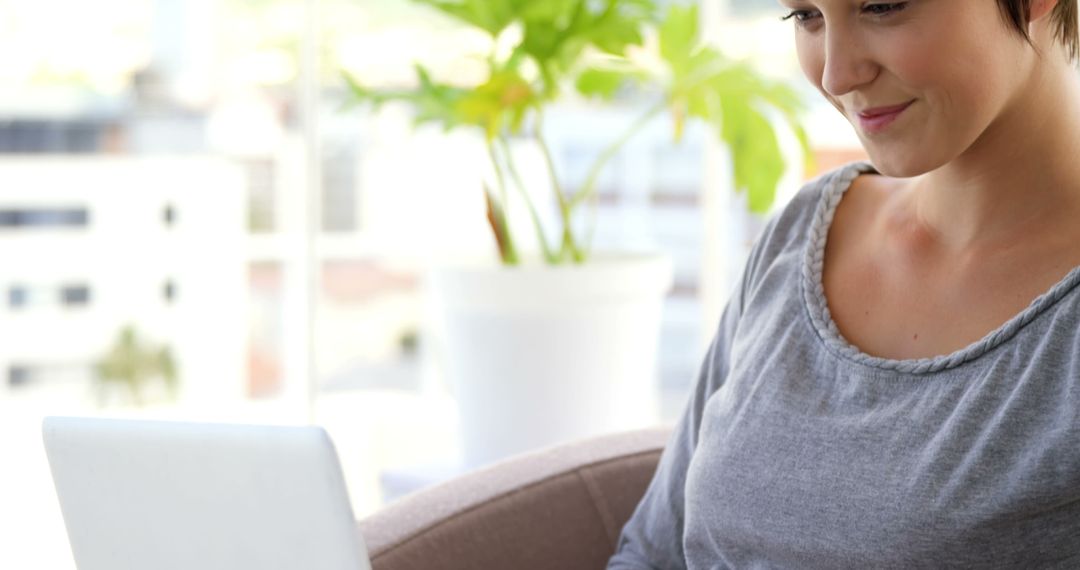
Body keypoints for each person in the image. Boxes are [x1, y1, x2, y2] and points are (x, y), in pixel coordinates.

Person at [608, 0, 1080, 567]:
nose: (835, 74)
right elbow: (653, 552)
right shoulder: (807, 227)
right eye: (806, 16)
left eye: (882, 6)